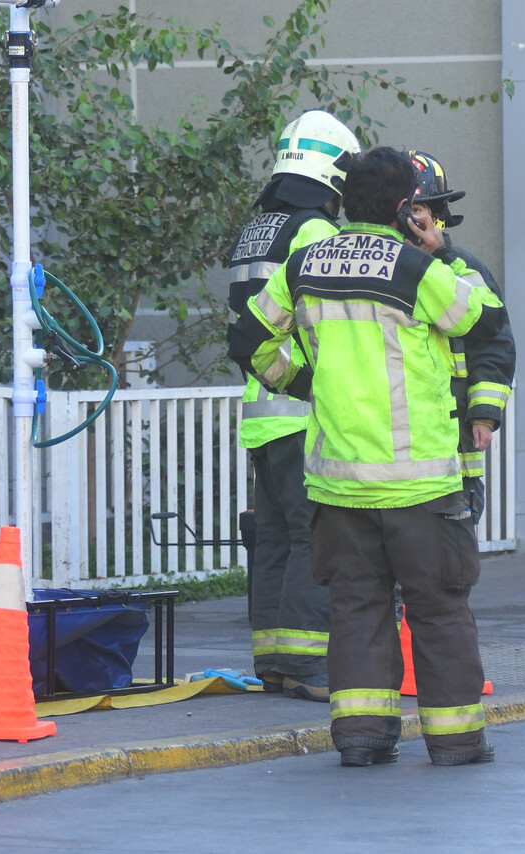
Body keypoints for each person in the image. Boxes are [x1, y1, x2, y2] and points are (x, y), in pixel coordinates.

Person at [227, 146, 504, 768]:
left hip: (336, 485)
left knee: (356, 611)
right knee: (438, 611)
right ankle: (456, 740)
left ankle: (360, 739)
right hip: (420, 486)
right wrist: (438, 253)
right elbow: (479, 318)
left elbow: (248, 336)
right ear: (407, 206)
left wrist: (296, 381)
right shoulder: (412, 268)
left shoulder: (303, 263)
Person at [226, 110, 359, 702]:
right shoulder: (315, 234)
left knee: (276, 536)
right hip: (305, 411)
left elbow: (249, 330)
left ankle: (274, 661)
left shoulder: (256, 230)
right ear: (331, 172)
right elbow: (330, 326)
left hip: (262, 411)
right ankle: (308, 667)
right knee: (315, 538)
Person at [403, 150, 515, 525]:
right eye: (405, 208)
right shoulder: (381, 268)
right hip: (394, 456)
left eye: (421, 209)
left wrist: (483, 413)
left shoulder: (462, 267)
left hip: (454, 453)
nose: (412, 219)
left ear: (438, 215)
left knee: (450, 566)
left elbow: (494, 341)